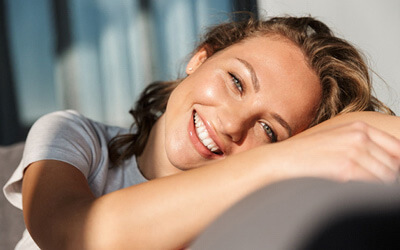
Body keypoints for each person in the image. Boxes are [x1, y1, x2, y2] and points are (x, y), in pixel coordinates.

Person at [3, 15, 400, 249]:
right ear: (200, 57)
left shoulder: (237, 216)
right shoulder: (75, 135)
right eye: (236, 81)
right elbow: (73, 233)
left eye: (267, 128)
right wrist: (282, 156)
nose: (230, 124)